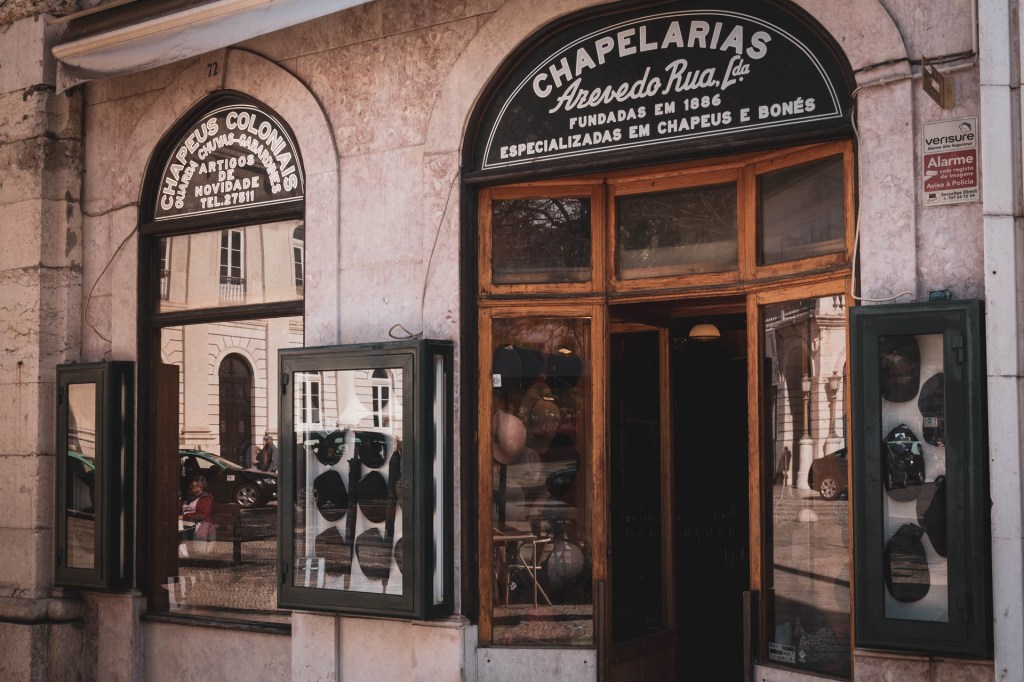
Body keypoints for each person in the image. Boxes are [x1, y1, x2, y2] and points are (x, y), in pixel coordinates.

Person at [181, 476, 215, 541]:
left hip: (199, 526)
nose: (190, 487)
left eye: (192, 485)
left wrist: (183, 517)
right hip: (187, 524)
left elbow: (202, 515)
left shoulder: (206, 499)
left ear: (200, 486)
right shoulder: (191, 497)